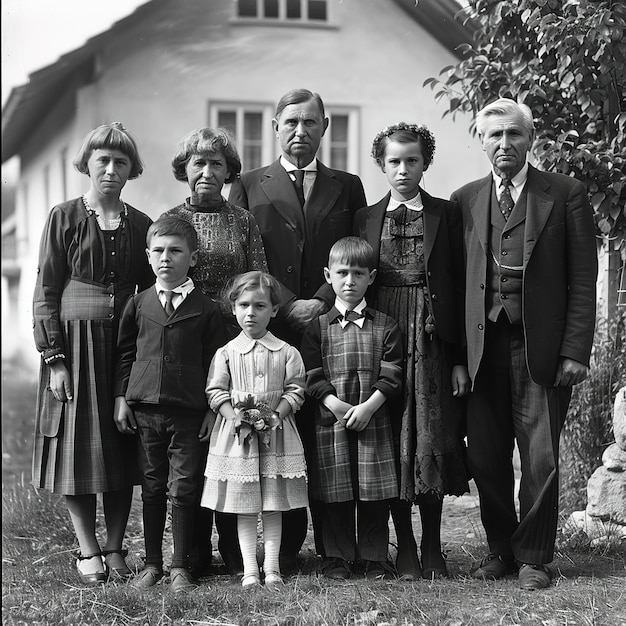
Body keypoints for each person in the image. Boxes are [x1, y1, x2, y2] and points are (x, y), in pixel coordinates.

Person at [451, 98, 597, 590]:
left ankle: (534, 556)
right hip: (481, 349)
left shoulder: (566, 193)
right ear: (481, 141)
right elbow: (454, 286)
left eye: (513, 134)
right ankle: (500, 550)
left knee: (540, 456)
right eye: (493, 135)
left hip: (543, 347)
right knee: (485, 457)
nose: (504, 144)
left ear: (530, 139)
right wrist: (455, 359)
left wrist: (576, 350)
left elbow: (583, 278)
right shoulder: (464, 198)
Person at [229, 88, 367, 573]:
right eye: (291, 122)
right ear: (275, 127)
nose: (300, 132)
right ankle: (269, 552)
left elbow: (356, 251)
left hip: (331, 325)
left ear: (325, 128)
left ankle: (335, 548)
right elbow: (244, 258)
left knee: (325, 433)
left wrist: (324, 301)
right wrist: (291, 304)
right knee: (267, 428)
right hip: (271, 326)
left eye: (311, 123)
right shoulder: (248, 183)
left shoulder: (347, 186)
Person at [31, 122, 154, 584]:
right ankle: (88, 551)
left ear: (131, 170)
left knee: (122, 447)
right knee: (77, 451)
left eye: (121, 162)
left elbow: (150, 290)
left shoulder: (140, 224)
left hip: (123, 350)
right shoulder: (64, 217)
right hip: (75, 348)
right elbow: (46, 289)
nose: (111, 169)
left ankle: (117, 547)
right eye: (103, 160)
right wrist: (55, 359)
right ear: (88, 164)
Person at [354, 123, 470, 580]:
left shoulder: (446, 213)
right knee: (391, 433)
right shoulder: (364, 217)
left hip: (431, 335)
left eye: (412, 161)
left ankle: (434, 547)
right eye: (394, 162)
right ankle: (403, 546)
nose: (403, 170)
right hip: (383, 331)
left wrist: (459, 356)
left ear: (426, 163)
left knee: (429, 432)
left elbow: (460, 284)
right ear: (381, 165)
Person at [164, 127, 269, 576]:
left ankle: (230, 543)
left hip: (231, 342)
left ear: (229, 172)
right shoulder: (170, 218)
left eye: (217, 164)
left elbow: (257, 278)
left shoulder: (243, 220)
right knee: (191, 443)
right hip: (185, 342)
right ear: (185, 170)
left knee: (231, 439)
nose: (207, 172)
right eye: (198, 163)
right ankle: (190, 549)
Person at [114, 216, 226, 592]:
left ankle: (180, 566)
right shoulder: (139, 303)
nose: (166, 258)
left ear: (192, 257)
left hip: (189, 413)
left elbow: (217, 362)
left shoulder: (207, 308)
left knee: (183, 486)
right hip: (145, 409)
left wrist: (212, 409)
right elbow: (126, 353)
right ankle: (152, 565)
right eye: (159, 251)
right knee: (151, 485)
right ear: (148, 256)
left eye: (176, 251)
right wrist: (121, 398)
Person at [301, 237, 403, 580]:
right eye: (342, 273)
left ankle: (375, 557)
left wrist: (369, 407)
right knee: (335, 490)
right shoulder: (316, 327)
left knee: (374, 491)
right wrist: (333, 402)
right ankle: (335, 557)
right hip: (330, 422)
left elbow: (392, 374)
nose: (349, 281)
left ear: (371, 277)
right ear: (328, 276)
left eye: (358, 273)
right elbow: (311, 375)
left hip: (373, 419)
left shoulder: (385, 325)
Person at [201, 271, 308, 588]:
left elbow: (296, 390)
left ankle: (272, 568)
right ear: (233, 308)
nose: (251, 312)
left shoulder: (287, 351)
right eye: (244, 305)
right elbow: (216, 391)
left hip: (277, 434)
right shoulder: (226, 353)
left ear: (274, 310)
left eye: (260, 306)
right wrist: (232, 415)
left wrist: (276, 414)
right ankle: (250, 569)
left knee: (273, 503)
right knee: (245, 506)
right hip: (239, 439)